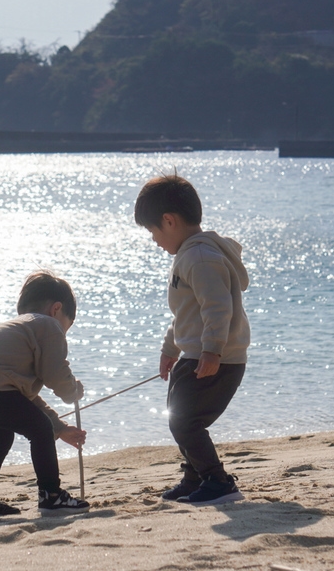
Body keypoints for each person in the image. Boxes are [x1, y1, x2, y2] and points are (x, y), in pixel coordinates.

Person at [134, 174, 251, 505]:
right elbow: (187, 312)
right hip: (195, 353)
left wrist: (212, 351)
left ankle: (218, 481)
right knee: (178, 416)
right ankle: (194, 476)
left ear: (169, 221)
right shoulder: (189, 255)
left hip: (216, 358)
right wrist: (170, 348)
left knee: (185, 421)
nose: (154, 240)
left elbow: (217, 308)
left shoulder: (199, 257)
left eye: (153, 231)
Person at [0, 271, 91, 519]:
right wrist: (73, 390)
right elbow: (55, 374)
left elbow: (26, 400)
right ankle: (51, 496)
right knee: (39, 429)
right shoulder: (47, 325)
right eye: (68, 326)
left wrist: (59, 426)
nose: (63, 333)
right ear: (57, 309)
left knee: (0, 437)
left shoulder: (17, 331)